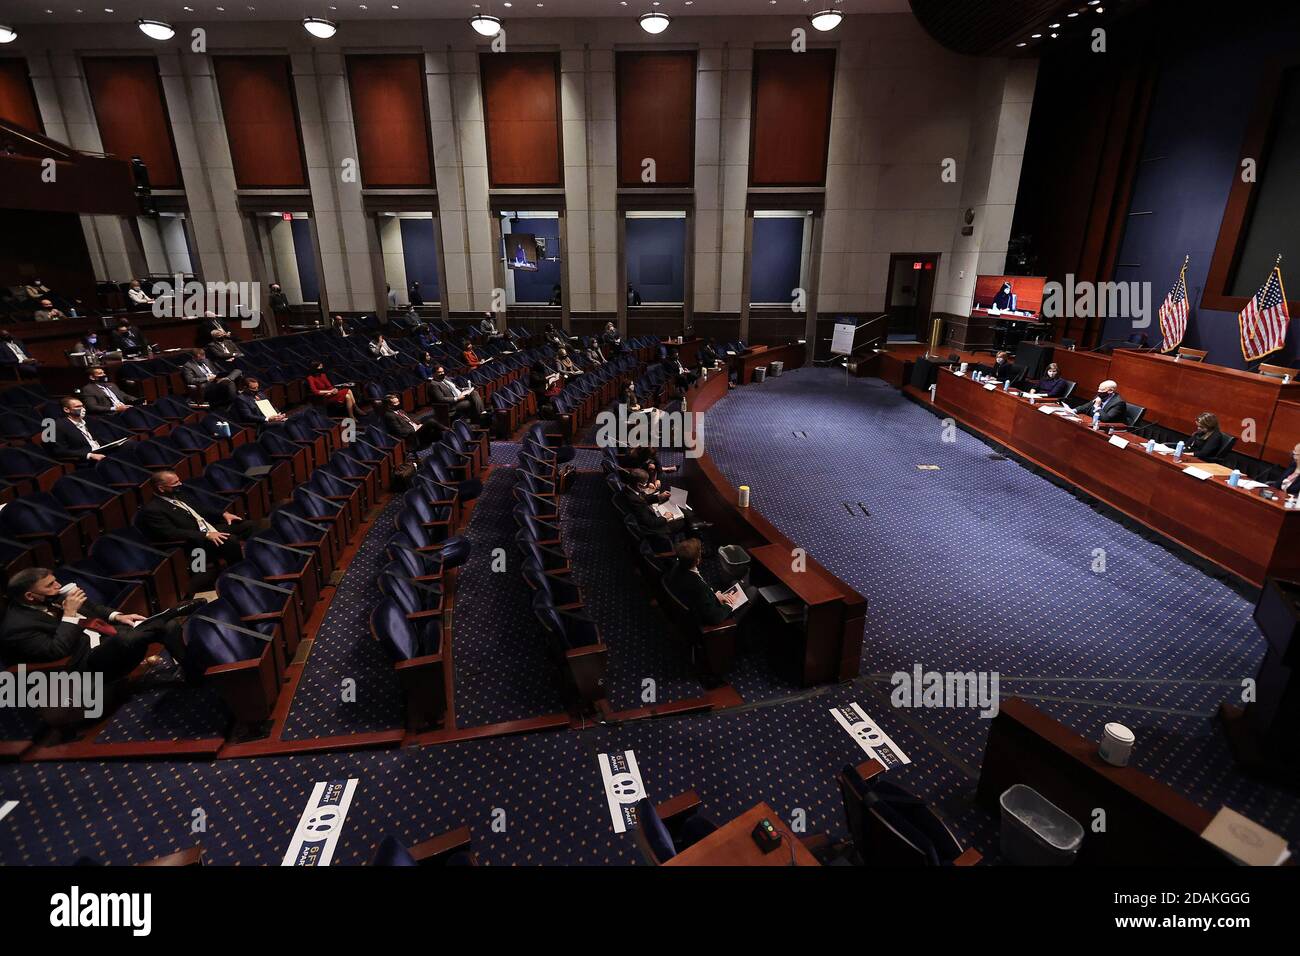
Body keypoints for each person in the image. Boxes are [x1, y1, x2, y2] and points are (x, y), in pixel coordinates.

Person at [1, 567, 185, 683]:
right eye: (50, 585)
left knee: (170, 625)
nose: (58, 585)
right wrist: (70, 614)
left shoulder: (51, 596)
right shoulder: (17, 627)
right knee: (125, 637)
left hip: (104, 636)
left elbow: (93, 607)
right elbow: (56, 651)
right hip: (83, 664)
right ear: (30, 596)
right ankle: (157, 621)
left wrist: (118, 616)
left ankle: (191, 671)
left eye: (55, 580)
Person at [139, 470, 261, 568]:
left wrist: (223, 513)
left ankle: (259, 561)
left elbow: (201, 508)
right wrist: (206, 535)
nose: (180, 484)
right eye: (175, 483)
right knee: (230, 541)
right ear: (161, 488)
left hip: (209, 528)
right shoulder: (153, 509)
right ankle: (238, 570)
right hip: (195, 541)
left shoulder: (178, 494)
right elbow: (171, 533)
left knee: (249, 525)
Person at [662, 538, 757, 628]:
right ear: (697, 560)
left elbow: (701, 599)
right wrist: (729, 605)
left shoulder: (677, 567)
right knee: (752, 591)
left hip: (701, 606)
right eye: (699, 553)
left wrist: (715, 596)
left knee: (736, 583)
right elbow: (714, 618)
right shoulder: (698, 587)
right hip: (715, 620)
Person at [46, 396, 109, 464]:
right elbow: (60, 451)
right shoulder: (57, 426)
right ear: (66, 409)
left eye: (82, 406)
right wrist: (89, 455)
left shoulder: (89, 420)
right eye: (78, 406)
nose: (82, 409)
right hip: (85, 461)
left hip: (102, 452)